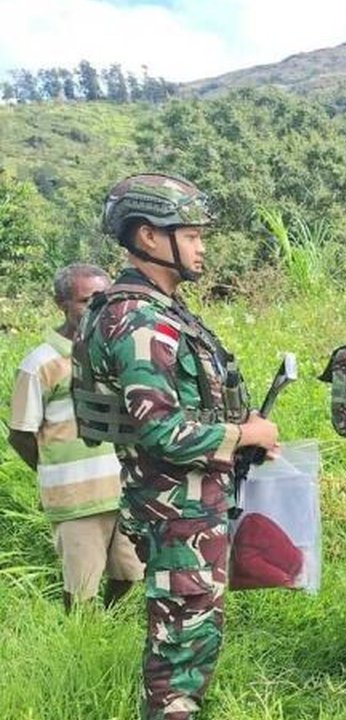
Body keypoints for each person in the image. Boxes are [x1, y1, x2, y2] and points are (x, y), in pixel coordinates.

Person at [72, 173, 280, 719]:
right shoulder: (139, 319)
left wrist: (241, 423)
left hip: (188, 509)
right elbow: (162, 430)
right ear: (147, 237)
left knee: (192, 642)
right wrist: (243, 435)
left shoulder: (160, 310)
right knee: (178, 662)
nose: (201, 247)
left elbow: (187, 403)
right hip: (176, 515)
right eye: (190, 236)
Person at [9, 263, 143, 611]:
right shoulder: (40, 363)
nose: (97, 309)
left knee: (129, 573)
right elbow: (20, 434)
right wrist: (54, 471)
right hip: (75, 496)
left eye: (105, 300)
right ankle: (79, 641)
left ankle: (107, 624)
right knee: (81, 587)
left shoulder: (117, 353)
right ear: (61, 304)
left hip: (124, 489)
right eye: (87, 300)